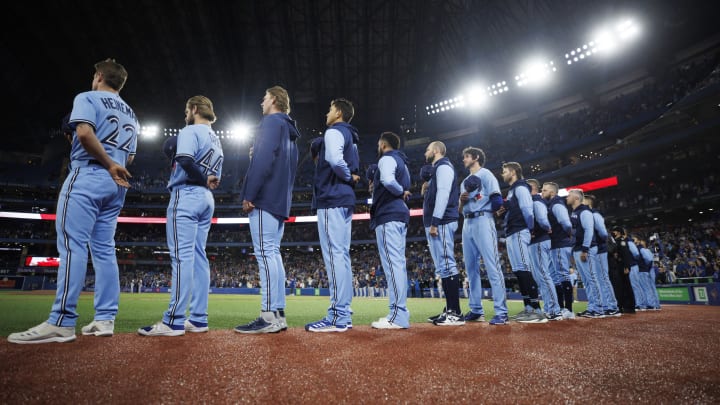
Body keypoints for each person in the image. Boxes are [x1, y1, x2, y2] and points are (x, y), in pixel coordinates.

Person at [9, 59, 137, 344]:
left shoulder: (87, 97)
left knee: (72, 245)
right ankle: (105, 319)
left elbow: (83, 132)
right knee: (104, 251)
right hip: (117, 183)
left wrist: (104, 161)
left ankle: (62, 321)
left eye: (95, 73)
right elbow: (129, 157)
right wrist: (112, 164)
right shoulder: (131, 113)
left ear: (100, 76)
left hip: (90, 174)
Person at [138, 95, 223, 336]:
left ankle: (173, 320)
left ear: (194, 109)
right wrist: (206, 179)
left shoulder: (189, 130)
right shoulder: (216, 139)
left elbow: (184, 159)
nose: (185, 114)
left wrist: (200, 178)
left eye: (187, 109)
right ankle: (198, 318)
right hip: (207, 199)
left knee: (182, 258)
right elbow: (217, 176)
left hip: (186, 195)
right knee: (199, 257)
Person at [235, 86, 300, 334]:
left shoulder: (271, 122)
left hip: (264, 198)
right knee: (272, 254)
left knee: (265, 254)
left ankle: (269, 315)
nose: (261, 102)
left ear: (273, 99)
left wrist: (249, 194)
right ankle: (278, 315)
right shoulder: (289, 131)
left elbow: (264, 159)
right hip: (279, 199)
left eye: (264, 97)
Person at [305, 98, 360, 333]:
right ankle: (344, 312)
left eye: (329, 109)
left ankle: (337, 315)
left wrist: (346, 176)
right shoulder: (351, 136)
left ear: (338, 112)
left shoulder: (334, 131)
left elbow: (335, 160)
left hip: (332, 198)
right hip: (344, 199)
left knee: (334, 255)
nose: (327, 113)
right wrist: (349, 178)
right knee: (342, 255)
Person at [458, 147, 507, 325]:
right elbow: (459, 210)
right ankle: (476, 310)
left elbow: (496, 198)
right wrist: (461, 202)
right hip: (467, 222)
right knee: (470, 269)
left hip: (483, 220)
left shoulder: (486, 175)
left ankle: (501, 312)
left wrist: (497, 208)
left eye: (467, 156)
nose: (464, 159)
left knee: (492, 266)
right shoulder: (463, 182)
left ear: (476, 157)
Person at [368, 132, 412, 329]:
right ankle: (400, 312)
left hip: (388, 214)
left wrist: (399, 191)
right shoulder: (402, 162)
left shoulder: (387, 158)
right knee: (398, 265)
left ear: (382, 143)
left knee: (393, 265)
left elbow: (387, 180)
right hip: (399, 214)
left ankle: (398, 315)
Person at [421, 141, 463, 326]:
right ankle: (449, 309)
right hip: (439, 221)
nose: (425, 152)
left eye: (428, 149)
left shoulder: (444, 166)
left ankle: (455, 312)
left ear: (436, 151)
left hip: (443, 221)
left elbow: (444, 194)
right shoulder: (437, 169)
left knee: (447, 263)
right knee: (443, 266)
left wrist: (435, 221)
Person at [498, 162, 546, 323]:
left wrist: (530, 228)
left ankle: (537, 310)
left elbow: (527, 209)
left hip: (519, 230)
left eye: (504, 171)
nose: (502, 174)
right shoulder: (512, 190)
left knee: (524, 269)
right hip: (512, 231)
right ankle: (528, 308)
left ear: (513, 172)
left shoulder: (520, 187)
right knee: (519, 271)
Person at [526, 179, 562, 320]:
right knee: (540, 277)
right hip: (536, 242)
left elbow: (542, 219)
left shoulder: (536, 201)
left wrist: (547, 228)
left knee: (543, 275)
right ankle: (549, 308)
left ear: (531, 188)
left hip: (540, 241)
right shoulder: (534, 201)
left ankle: (554, 310)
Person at [566, 189, 604, 318]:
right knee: (587, 281)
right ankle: (592, 307)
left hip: (585, 249)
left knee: (592, 278)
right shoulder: (575, 212)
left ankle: (598, 308)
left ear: (576, 198)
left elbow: (589, 231)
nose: (567, 197)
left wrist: (585, 249)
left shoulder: (584, 211)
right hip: (578, 249)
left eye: (570, 195)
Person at [541, 182, 575, 319]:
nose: (542, 192)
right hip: (556, 244)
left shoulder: (557, 204)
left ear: (553, 193)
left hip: (561, 243)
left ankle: (568, 309)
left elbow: (566, 223)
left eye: (545, 190)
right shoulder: (552, 205)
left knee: (563, 275)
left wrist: (568, 234)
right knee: (556, 277)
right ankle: (560, 307)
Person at [583, 195, 620, 317]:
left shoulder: (595, 214)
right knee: (598, 279)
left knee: (603, 278)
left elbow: (603, 233)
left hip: (599, 249)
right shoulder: (588, 214)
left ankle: (612, 306)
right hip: (595, 249)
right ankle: (605, 305)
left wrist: (599, 243)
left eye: (583, 201)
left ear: (589, 203)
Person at [610, 227, 638, 313]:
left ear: (618, 232)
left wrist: (627, 267)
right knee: (620, 286)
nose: (613, 233)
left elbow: (625, 255)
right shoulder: (616, 241)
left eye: (614, 231)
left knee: (626, 286)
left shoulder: (622, 241)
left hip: (622, 266)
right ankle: (622, 305)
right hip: (618, 265)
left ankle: (629, 306)